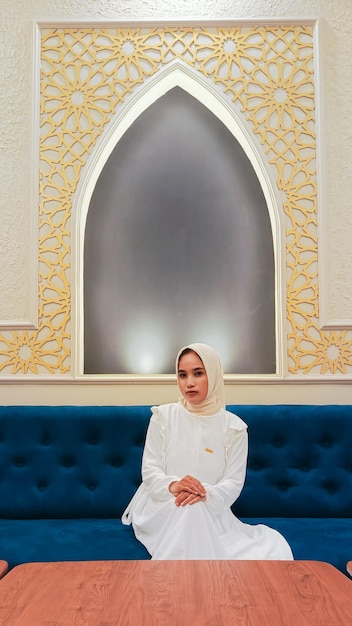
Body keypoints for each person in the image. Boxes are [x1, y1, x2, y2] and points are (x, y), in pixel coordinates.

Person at [122, 342, 293, 560]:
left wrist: (202, 494)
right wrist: (174, 485)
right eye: (182, 375)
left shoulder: (234, 427)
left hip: (211, 509)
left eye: (198, 373)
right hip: (162, 504)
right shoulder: (162, 417)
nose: (189, 383)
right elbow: (150, 472)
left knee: (193, 509)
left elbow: (233, 483)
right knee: (188, 510)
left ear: (213, 374)